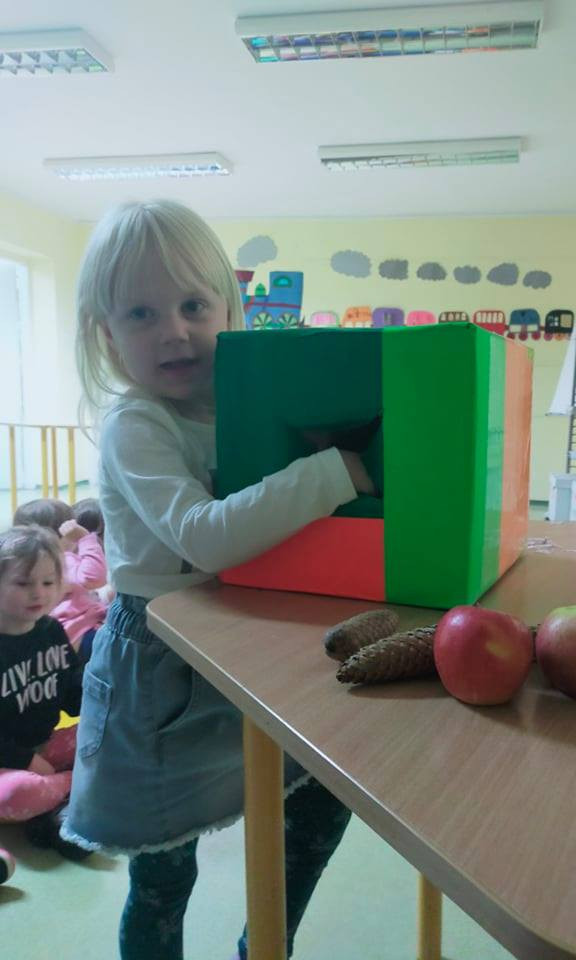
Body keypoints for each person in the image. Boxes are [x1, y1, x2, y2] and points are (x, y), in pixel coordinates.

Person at [63, 199, 376, 960]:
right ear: (108, 335)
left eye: (193, 306)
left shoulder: (245, 407)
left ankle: (265, 944)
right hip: (162, 666)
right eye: (141, 313)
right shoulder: (136, 423)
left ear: (229, 311)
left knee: (321, 803)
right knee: (163, 877)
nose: (173, 330)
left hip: (248, 645)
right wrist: (335, 470)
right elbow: (206, 537)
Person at [0, 525, 89, 861]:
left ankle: (54, 806)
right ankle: (78, 789)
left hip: (44, 745)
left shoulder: (51, 630)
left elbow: (70, 692)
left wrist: (101, 699)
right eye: (23, 584)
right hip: (7, 765)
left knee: (110, 732)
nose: (38, 593)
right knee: (17, 793)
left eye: (48, 583)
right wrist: (26, 761)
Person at [14, 499, 109, 663]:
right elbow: (94, 578)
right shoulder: (58, 561)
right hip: (80, 633)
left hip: (70, 632)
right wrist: (86, 539)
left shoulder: (28, 564)